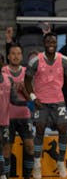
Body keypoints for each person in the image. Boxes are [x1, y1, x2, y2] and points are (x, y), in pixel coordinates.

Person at [24, 32, 67, 179]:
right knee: (40, 130)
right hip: (41, 102)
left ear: (57, 44)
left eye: (53, 42)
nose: (51, 43)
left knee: (63, 128)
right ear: (44, 43)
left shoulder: (65, 61)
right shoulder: (35, 61)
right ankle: (37, 165)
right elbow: (27, 81)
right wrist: (33, 97)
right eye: (48, 41)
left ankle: (60, 161)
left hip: (58, 101)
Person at [2, 43, 34, 179]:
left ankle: (27, 176)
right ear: (8, 56)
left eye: (18, 53)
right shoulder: (3, 71)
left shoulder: (27, 72)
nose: (16, 56)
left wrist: (23, 90)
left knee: (30, 147)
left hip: (24, 116)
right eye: (13, 54)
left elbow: (31, 98)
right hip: (7, 117)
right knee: (6, 150)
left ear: (22, 56)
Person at [0, 67, 27, 179]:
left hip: (4, 121)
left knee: (4, 150)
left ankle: (5, 175)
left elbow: (14, 100)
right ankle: (2, 175)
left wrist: (28, 102)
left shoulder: (8, 79)